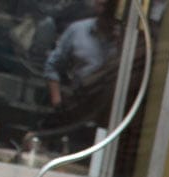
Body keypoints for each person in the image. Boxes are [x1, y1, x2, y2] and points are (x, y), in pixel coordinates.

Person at [42, 0, 121, 146]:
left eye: (108, 7)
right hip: (78, 108)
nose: (104, 10)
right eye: (101, 4)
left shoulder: (126, 39)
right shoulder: (77, 30)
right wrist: (58, 104)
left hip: (111, 115)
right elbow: (52, 65)